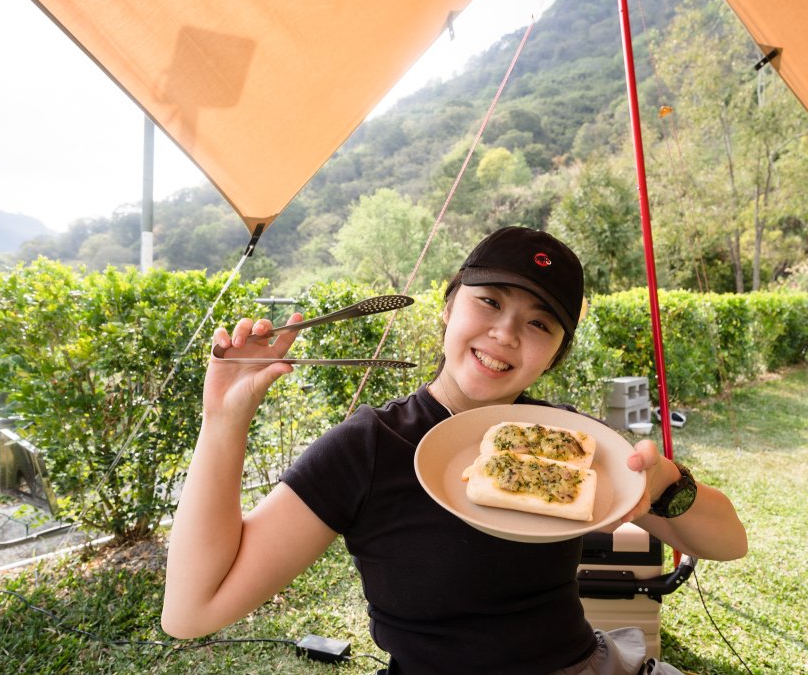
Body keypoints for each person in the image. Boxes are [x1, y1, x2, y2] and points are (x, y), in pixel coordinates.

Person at [162, 226, 747, 674]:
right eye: (489, 301)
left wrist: (668, 485)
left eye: (540, 324)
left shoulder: (569, 444)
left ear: (555, 354)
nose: (506, 334)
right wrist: (223, 420)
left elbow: (727, 542)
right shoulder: (370, 446)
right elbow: (193, 610)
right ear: (448, 308)